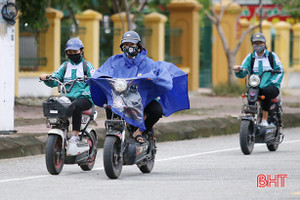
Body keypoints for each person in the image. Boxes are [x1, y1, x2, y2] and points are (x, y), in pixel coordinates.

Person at [89, 30, 189, 143]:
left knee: (157, 110)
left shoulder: (147, 62)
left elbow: (157, 74)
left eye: (132, 45)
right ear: (122, 47)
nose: (129, 47)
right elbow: (102, 71)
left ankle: (140, 131)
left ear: (138, 46)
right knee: (109, 105)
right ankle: (113, 131)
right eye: (126, 45)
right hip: (120, 98)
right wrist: (98, 77)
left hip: (142, 99)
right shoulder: (115, 60)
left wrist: (151, 77)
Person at [40, 38, 95, 142]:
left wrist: (80, 93)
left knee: (76, 105)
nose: (72, 54)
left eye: (75, 52)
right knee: (54, 103)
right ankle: (60, 128)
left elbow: (93, 82)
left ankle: (75, 134)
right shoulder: (65, 66)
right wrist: (47, 78)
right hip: (67, 97)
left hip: (85, 98)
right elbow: (55, 79)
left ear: (81, 51)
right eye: (69, 52)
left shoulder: (87, 66)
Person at [233, 32, 284, 126]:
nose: (258, 45)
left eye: (260, 43)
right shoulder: (250, 57)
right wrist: (238, 70)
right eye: (255, 43)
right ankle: (251, 117)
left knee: (266, 92)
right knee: (250, 93)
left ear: (265, 44)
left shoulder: (272, 56)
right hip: (256, 86)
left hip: (271, 86)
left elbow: (280, 71)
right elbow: (244, 71)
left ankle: (264, 119)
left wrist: (272, 82)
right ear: (252, 45)